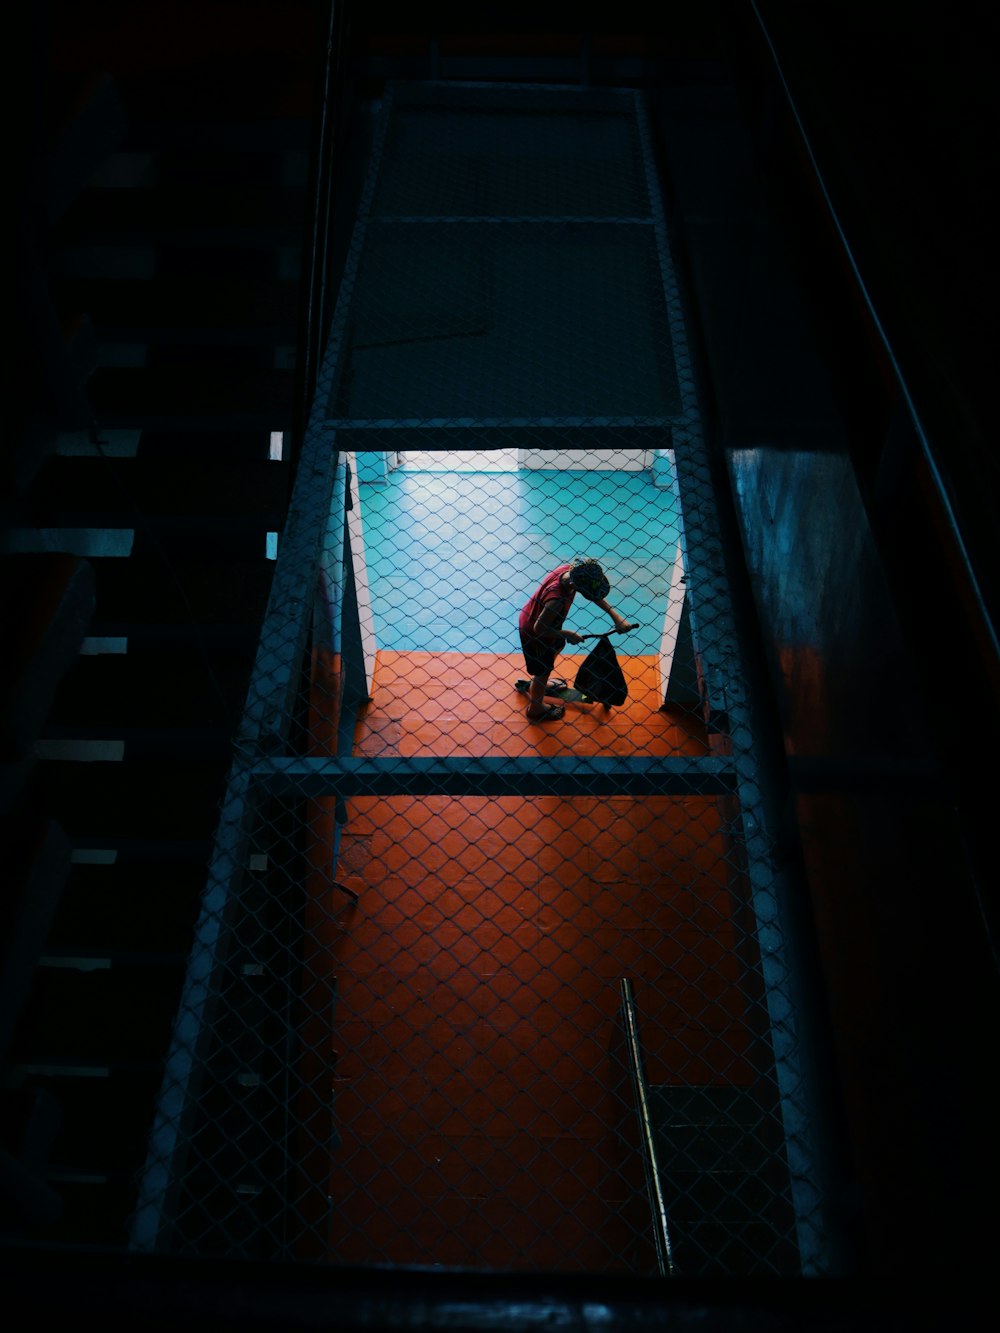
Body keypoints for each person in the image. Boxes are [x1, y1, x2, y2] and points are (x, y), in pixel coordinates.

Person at [518, 558, 636, 720]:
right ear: (575, 587)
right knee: (542, 671)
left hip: (540, 619)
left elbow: (593, 594)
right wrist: (567, 634)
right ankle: (536, 708)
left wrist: (616, 617)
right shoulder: (557, 600)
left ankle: (540, 685)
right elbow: (539, 629)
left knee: (554, 651)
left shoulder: (568, 571)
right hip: (535, 633)